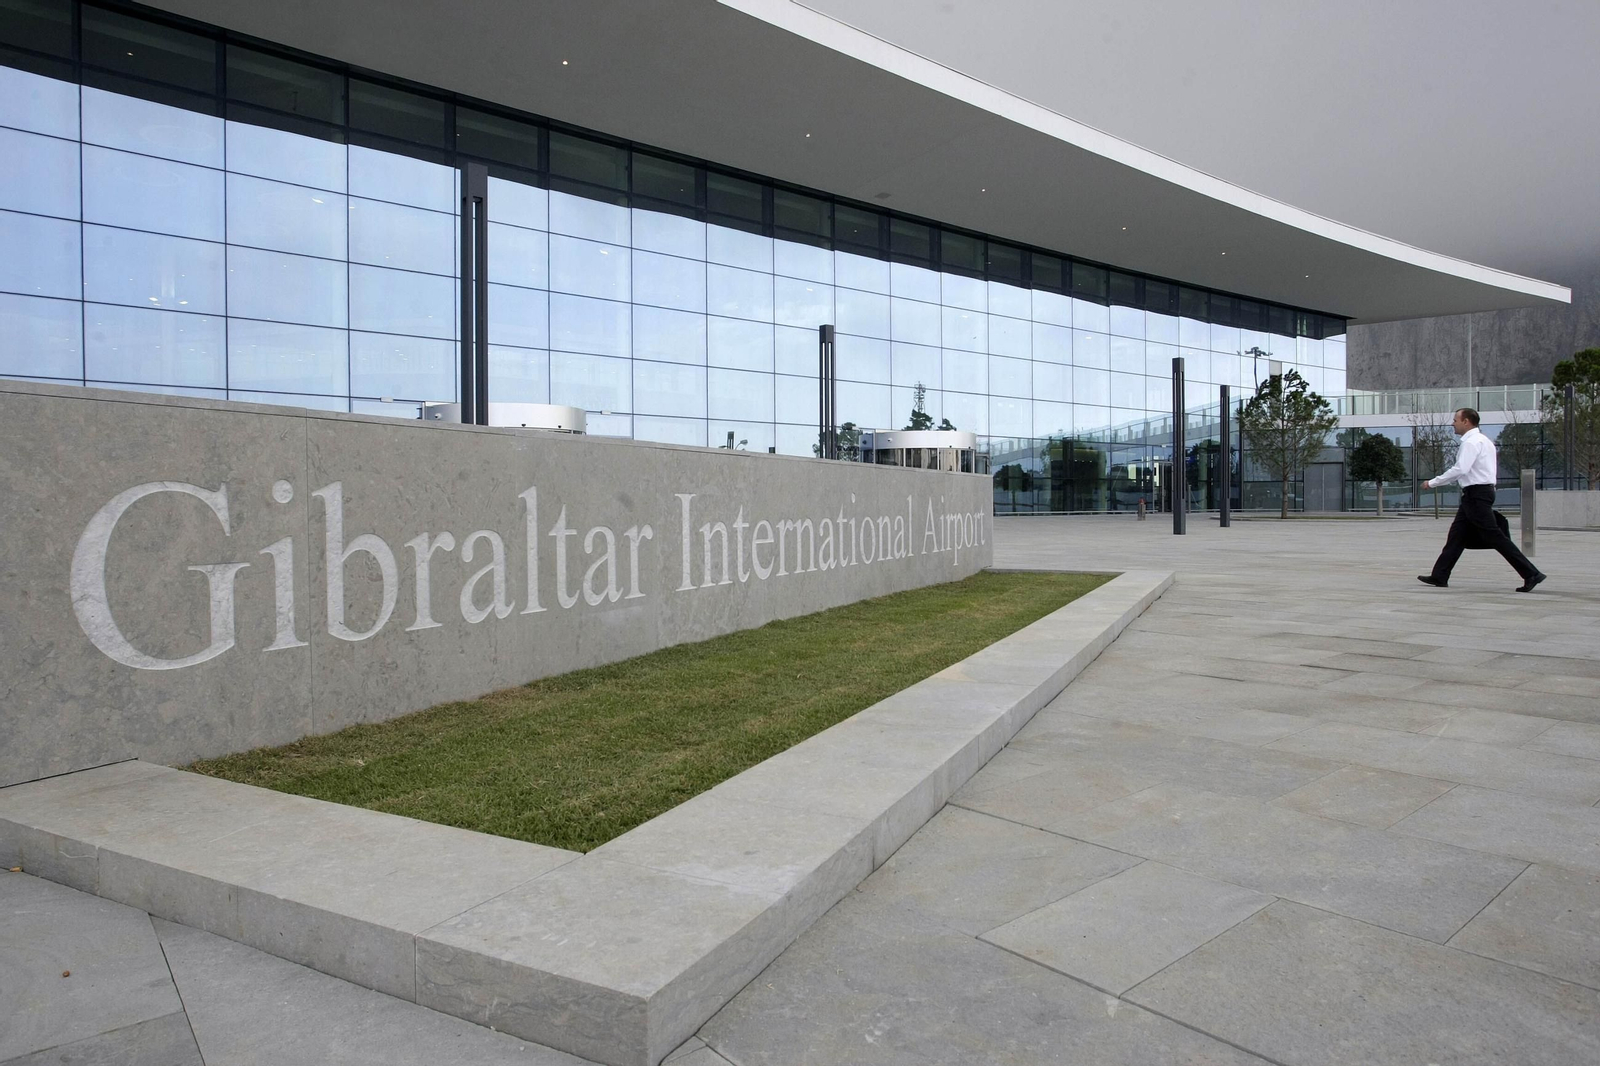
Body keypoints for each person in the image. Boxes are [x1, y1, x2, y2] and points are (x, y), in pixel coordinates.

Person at [1418, 407, 1546, 592]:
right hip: (1477, 494)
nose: (1452, 423)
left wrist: (1433, 482)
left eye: (1455, 420)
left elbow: (1460, 469)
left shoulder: (1471, 443)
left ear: (1466, 421)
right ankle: (1440, 575)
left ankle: (1531, 574)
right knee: (1456, 536)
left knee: (1495, 536)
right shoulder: (1484, 441)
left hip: (1476, 495)